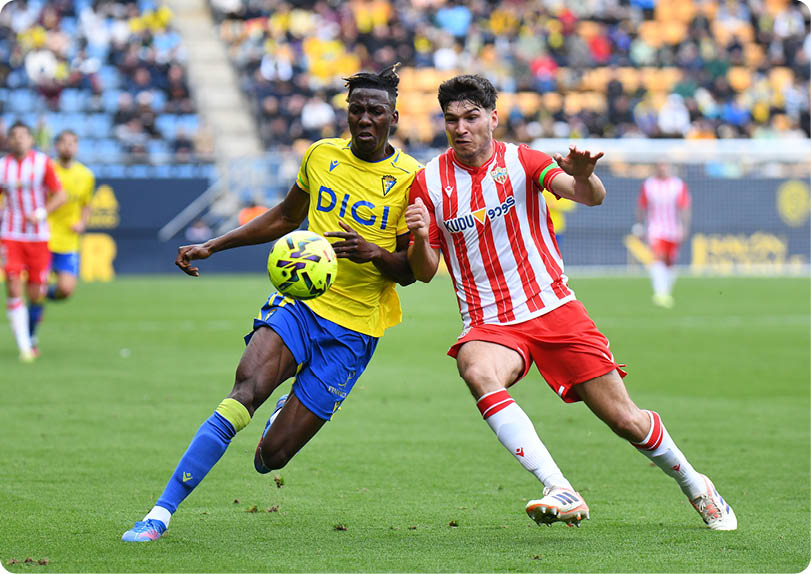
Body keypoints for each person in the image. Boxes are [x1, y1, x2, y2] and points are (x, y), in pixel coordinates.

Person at [405, 75, 736, 531]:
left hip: (554, 308)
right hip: (491, 321)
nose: (460, 128)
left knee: (625, 420)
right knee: (475, 368)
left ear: (493, 118)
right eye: (451, 120)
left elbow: (588, 196)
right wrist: (422, 237)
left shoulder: (525, 161)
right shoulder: (427, 182)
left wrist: (583, 174)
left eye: (471, 117)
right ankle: (558, 486)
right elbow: (423, 270)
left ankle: (696, 484)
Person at [122, 65, 422, 542]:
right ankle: (159, 514)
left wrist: (375, 253)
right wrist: (213, 245)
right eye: (356, 109)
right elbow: (285, 216)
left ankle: (287, 413)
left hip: (356, 328)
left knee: (272, 458)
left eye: (375, 111)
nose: (364, 119)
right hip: (300, 304)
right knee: (244, 391)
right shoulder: (321, 156)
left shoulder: (411, 178)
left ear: (394, 118)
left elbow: (412, 270)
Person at [0, 121, 66, 362]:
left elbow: (60, 195)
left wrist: (41, 212)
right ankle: (24, 347)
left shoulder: (41, 163)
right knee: (13, 284)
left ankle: (30, 335)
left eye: (23, 135)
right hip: (11, 234)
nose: (18, 139)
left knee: (37, 292)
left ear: (30, 139)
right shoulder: (2, 167)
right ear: (8, 140)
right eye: (14, 136)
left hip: (38, 236)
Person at [27, 130, 95, 350]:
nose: (68, 147)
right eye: (64, 143)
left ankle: (42, 298)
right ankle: (31, 338)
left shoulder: (86, 175)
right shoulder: (46, 170)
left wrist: (83, 223)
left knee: (66, 290)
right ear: (57, 146)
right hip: (44, 237)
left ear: (76, 147)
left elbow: (87, 204)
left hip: (68, 241)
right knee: (36, 290)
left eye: (72, 143)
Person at [634, 163, 691, 308]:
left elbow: (684, 207)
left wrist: (684, 227)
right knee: (658, 258)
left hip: (673, 229)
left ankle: (666, 292)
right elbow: (641, 206)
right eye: (660, 166)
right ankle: (660, 293)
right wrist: (640, 225)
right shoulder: (649, 185)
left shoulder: (678, 185)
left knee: (670, 262)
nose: (663, 168)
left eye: (665, 166)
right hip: (656, 229)